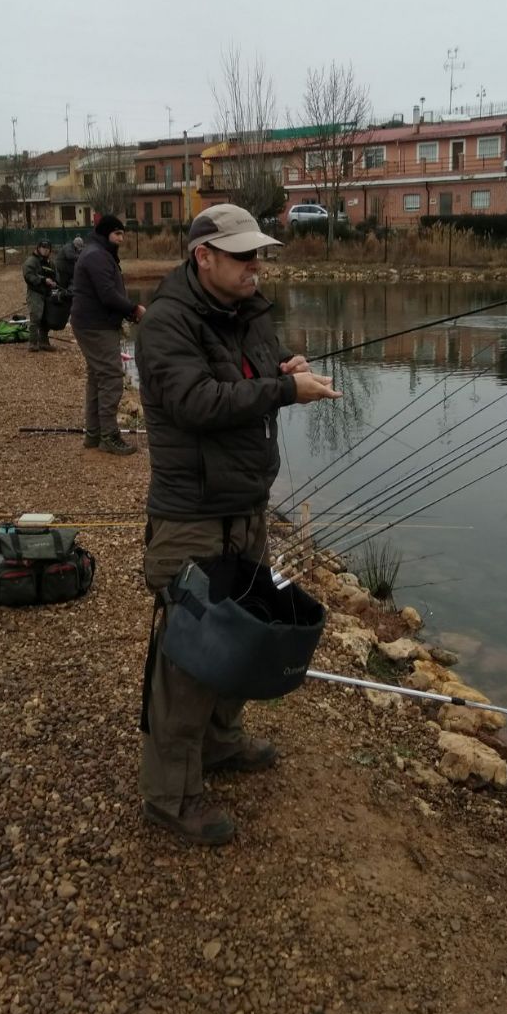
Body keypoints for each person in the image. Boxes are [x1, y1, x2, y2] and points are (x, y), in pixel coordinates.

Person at [134, 203, 341, 846]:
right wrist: (282, 392)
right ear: (204, 257)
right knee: (190, 659)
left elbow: (253, 374)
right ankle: (170, 795)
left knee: (244, 636)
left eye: (259, 255)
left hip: (246, 505)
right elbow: (196, 402)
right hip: (192, 515)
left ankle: (222, 742)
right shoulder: (166, 323)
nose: (257, 266)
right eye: (244, 255)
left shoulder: (249, 312)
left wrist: (284, 371)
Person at [71, 214, 146, 455]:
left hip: (93, 323)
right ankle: (109, 436)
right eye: (117, 234)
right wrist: (133, 309)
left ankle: (93, 435)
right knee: (111, 377)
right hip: (96, 326)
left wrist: (127, 313)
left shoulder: (99, 252)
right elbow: (107, 294)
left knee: (97, 378)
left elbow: (108, 292)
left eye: (123, 234)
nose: (121, 239)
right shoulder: (97, 255)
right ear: (106, 234)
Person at [22, 238, 59, 353]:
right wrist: (43, 280)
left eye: (47, 248)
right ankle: (33, 343)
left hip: (47, 294)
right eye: (43, 247)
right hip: (35, 293)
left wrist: (55, 283)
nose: (45, 250)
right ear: (38, 248)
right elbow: (28, 276)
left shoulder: (50, 263)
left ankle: (44, 343)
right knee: (36, 317)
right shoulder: (31, 261)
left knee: (46, 318)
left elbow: (56, 276)